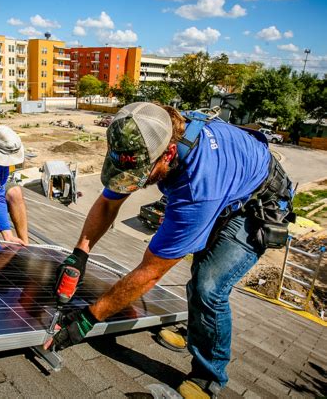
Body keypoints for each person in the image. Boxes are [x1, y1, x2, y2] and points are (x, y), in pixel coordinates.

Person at [48, 102, 293, 398]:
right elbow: (109, 201)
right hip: (229, 187)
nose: (132, 183)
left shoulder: (198, 187)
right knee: (200, 271)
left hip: (257, 206)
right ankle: (196, 333)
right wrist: (80, 254)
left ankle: (209, 375)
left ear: (169, 154)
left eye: (140, 175)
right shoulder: (147, 136)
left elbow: (150, 272)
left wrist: (88, 318)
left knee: (208, 286)